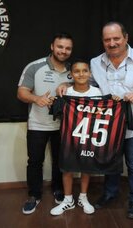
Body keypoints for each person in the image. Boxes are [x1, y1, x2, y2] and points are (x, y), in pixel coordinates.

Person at [57, 21, 133, 219]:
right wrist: (66, 82)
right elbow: (85, 81)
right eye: (107, 40)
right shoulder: (96, 62)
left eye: (116, 38)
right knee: (109, 160)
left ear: (126, 38)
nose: (112, 43)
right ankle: (109, 194)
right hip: (107, 125)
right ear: (103, 41)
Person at [17, 32, 73, 215]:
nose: (63, 51)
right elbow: (21, 93)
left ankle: (58, 190)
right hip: (38, 124)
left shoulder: (74, 69)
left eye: (67, 48)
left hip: (64, 126)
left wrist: (68, 83)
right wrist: (36, 98)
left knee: (60, 161)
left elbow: (88, 84)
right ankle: (34, 195)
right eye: (60, 47)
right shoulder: (35, 67)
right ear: (52, 46)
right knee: (35, 161)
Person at [50, 59, 102, 216]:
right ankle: (68, 200)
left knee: (86, 168)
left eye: (85, 70)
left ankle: (83, 197)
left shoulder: (96, 93)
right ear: (71, 74)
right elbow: (58, 114)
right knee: (67, 168)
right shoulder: (66, 92)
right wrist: (53, 103)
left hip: (88, 136)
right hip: (68, 137)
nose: (81, 74)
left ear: (90, 73)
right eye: (77, 71)